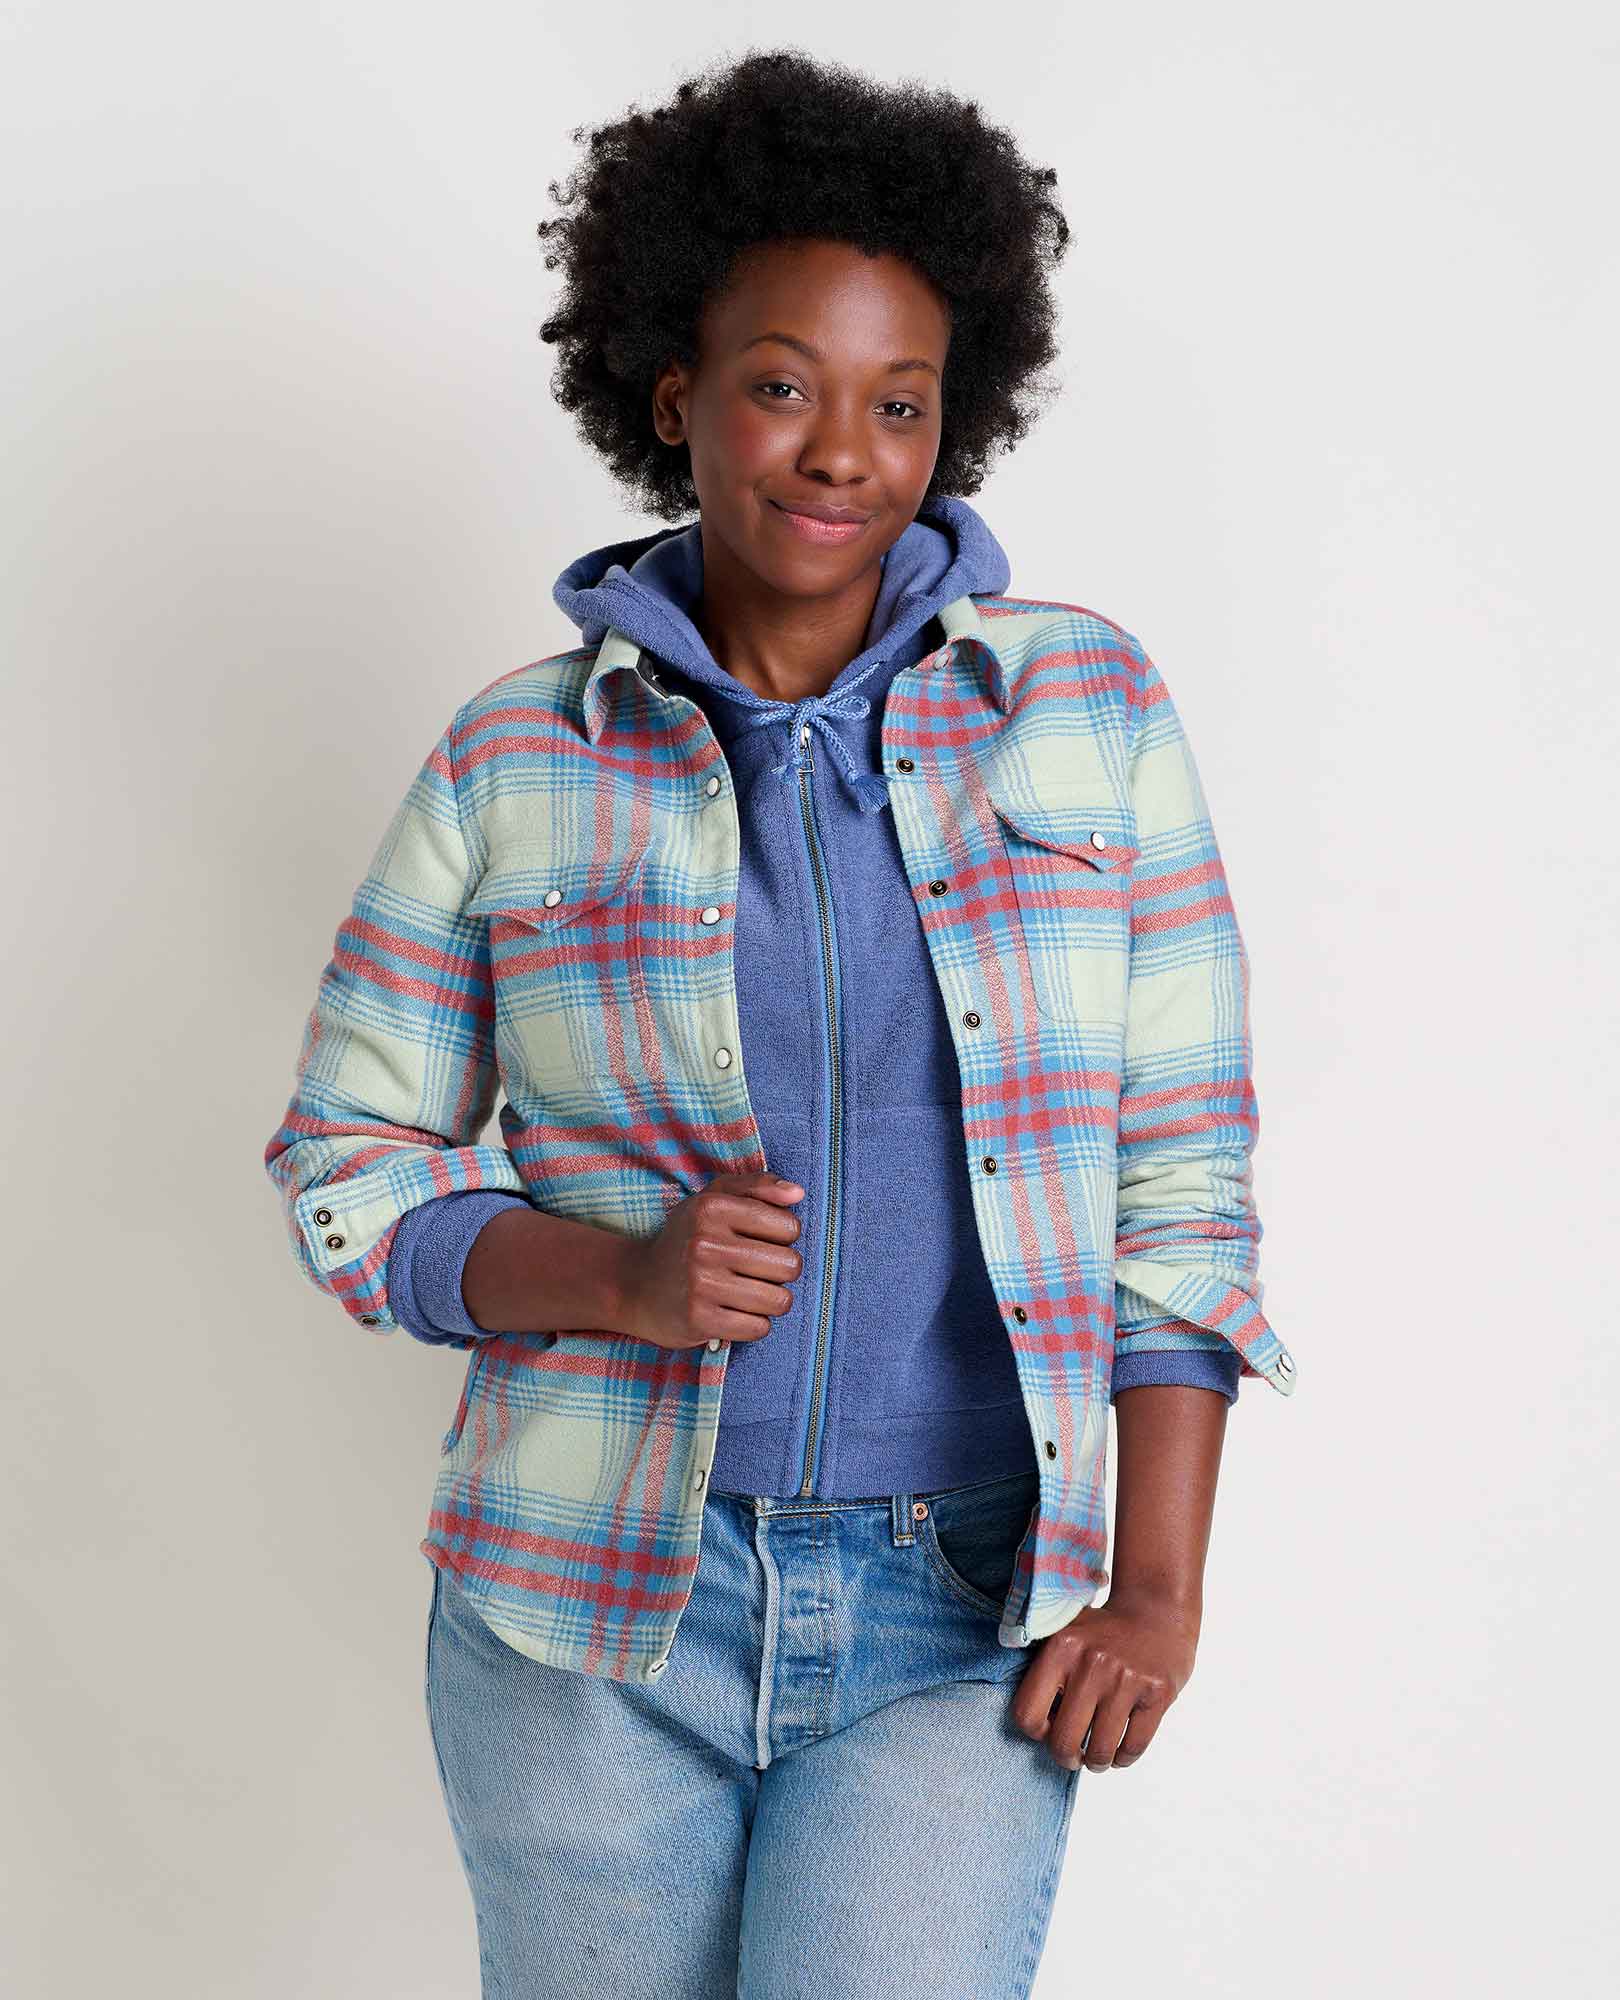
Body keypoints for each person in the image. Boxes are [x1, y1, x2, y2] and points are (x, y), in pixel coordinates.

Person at [262, 47, 1297, 2000]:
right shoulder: (513, 758)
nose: (842, 453)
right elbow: (343, 1164)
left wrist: (1157, 1584)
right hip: (583, 1606)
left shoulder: (1084, 714)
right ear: (675, 395)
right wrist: (617, 1274)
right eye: (782, 385)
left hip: (964, 1603)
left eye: (900, 402)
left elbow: (1180, 1175)